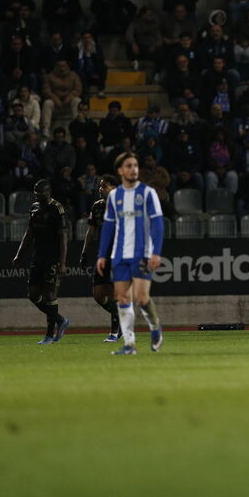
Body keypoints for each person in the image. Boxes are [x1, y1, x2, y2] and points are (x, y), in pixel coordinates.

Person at [96, 152, 166, 355]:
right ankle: (129, 344)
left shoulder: (147, 193)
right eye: (129, 166)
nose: (133, 169)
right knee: (122, 298)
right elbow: (108, 227)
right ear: (120, 171)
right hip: (119, 255)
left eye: (135, 165)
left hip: (142, 253)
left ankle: (155, 328)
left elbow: (158, 224)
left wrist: (156, 253)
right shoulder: (115, 196)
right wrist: (102, 255)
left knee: (141, 298)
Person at [11, 179, 70, 345]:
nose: (37, 195)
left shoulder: (57, 209)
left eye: (40, 192)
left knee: (49, 295)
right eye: (35, 193)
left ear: (48, 191)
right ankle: (60, 320)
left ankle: (49, 335)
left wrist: (63, 262)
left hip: (53, 258)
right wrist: (19, 254)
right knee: (33, 295)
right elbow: (29, 233)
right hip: (38, 256)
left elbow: (63, 237)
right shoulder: (34, 208)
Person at [79, 175, 122, 341]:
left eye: (103, 186)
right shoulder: (97, 206)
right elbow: (91, 231)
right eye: (99, 186)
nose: (100, 189)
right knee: (98, 295)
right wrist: (84, 252)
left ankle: (114, 333)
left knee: (112, 295)